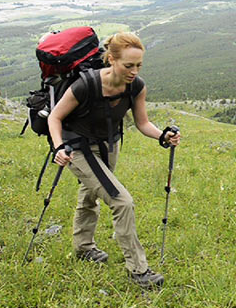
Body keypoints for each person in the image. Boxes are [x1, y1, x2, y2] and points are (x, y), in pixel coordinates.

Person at [47, 32, 181, 289]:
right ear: (111, 59)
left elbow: (142, 123)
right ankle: (139, 270)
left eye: (138, 65)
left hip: (110, 144)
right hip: (78, 148)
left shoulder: (136, 86)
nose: (134, 71)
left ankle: (84, 248)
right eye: (128, 65)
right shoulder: (85, 85)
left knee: (90, 194)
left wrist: (162, 136)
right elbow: (55, 117)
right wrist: (58, 147)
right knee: (122, 201)